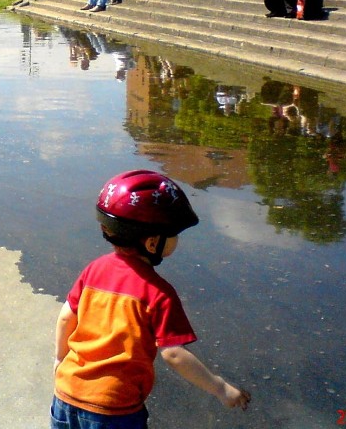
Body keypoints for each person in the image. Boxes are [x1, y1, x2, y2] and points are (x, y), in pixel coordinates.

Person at [51, 170, 251, 428]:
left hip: (65, 394)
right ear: (153, 242)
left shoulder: (93, 270)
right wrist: (220, 388)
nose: (177, 240)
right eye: (174, 234)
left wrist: (60, 359)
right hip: (114, 409)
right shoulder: (158, 293)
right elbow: (174, 354)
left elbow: (67, 316)